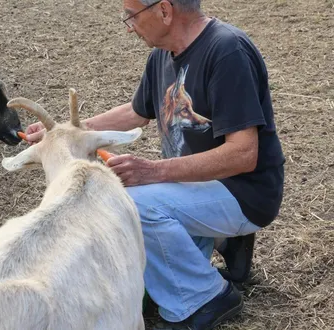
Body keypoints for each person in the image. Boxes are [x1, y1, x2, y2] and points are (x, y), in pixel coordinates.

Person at [24, 0, 285, 329]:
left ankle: (206, 296)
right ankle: (222, 240)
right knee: (143, 265)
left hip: (244, 192)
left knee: (128, 203)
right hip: (201, 186)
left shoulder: (226, 51)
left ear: (164, 10)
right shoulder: (163, 55)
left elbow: (243, 154)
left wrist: (151, 171)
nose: (128, 25)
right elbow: (136, 113)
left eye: (131, 16)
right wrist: (63, 132)